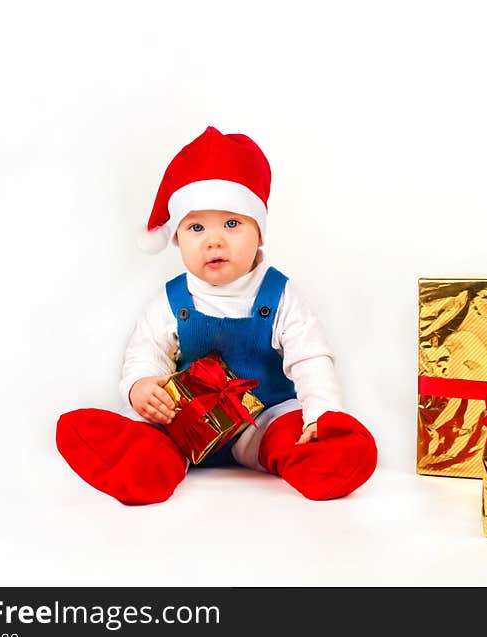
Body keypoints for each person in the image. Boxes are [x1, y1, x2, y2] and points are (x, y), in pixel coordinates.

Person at [56, 126, 378, 505]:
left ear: (259, 231)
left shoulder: (279, 295)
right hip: (186, 424)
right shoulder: (171, 300)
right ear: (177, 237)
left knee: (293, 433)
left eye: (231, 223)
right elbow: (145, 353)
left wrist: (321, 416)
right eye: (196, 227)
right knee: (153, 431)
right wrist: (141, 387)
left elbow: (310, 358)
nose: (214, 240)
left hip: (263, 422)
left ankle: (328, 459)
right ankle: (141, 466)